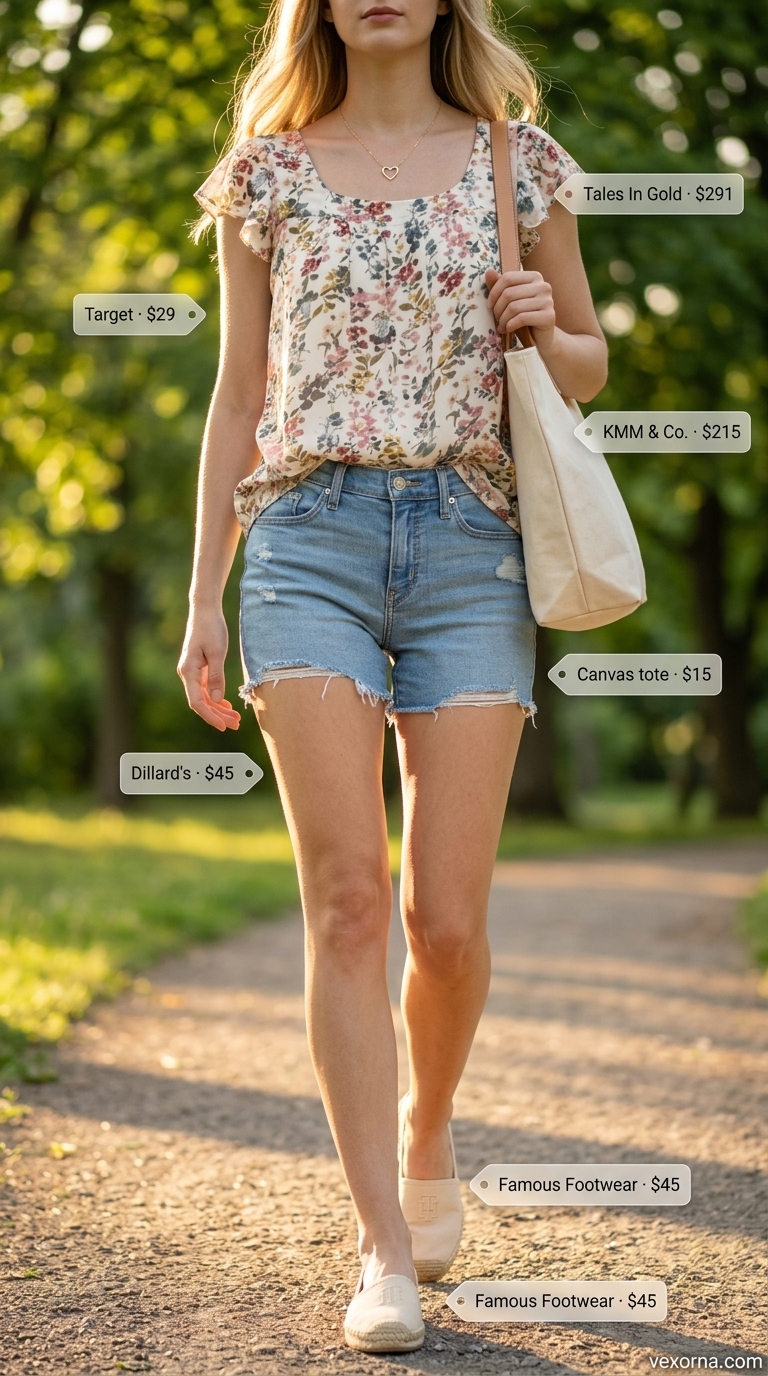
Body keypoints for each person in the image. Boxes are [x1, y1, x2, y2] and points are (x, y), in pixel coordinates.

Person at [178, 0, 607, 1352]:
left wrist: (543, 323)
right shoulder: (268, 172)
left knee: (446, 921)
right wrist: (205, 591)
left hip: (472, 543)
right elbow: (239, 394)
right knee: (349, 903)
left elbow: (588, 363)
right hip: (306, 538)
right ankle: (381, 1249)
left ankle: (429, 1130)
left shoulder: (516, 159)